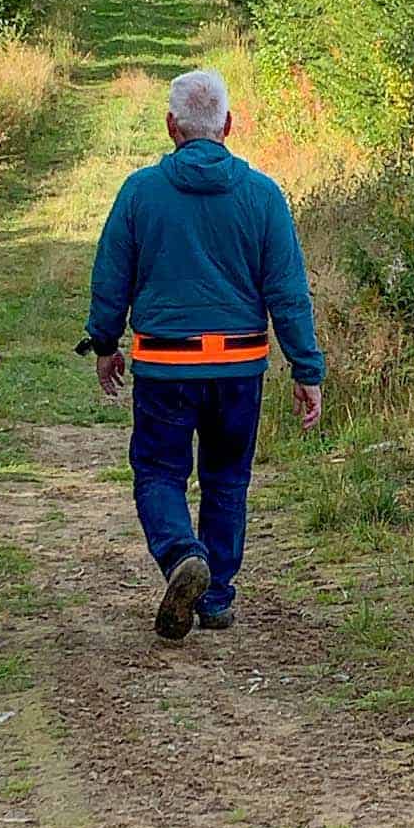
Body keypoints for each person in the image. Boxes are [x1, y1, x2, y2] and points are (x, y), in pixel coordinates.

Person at [83, 67, 323, 641]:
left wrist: (105, 343)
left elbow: (111, 276)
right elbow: (287, 292)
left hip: (165, 367)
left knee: (159, 472)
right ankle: (215, 596)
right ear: (229, 125)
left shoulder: (141, 192)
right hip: (240, 368)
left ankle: (182, 555)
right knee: (226, 479)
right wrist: (306, 367)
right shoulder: (263, 195)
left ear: (171, 126)